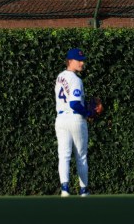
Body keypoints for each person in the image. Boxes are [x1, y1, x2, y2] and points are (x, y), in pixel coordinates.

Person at [55, 47, 91, 198]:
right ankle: (84, 191)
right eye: (79, 60)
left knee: (63, 155)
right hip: (75, 119)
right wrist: (88, 113)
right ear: (70, 61)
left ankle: (65, 190)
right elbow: (75, 104)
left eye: (82, 60)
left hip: (61, 119)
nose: (82, 63)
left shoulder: (59, 77)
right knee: (81, 156)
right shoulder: (76, 79)